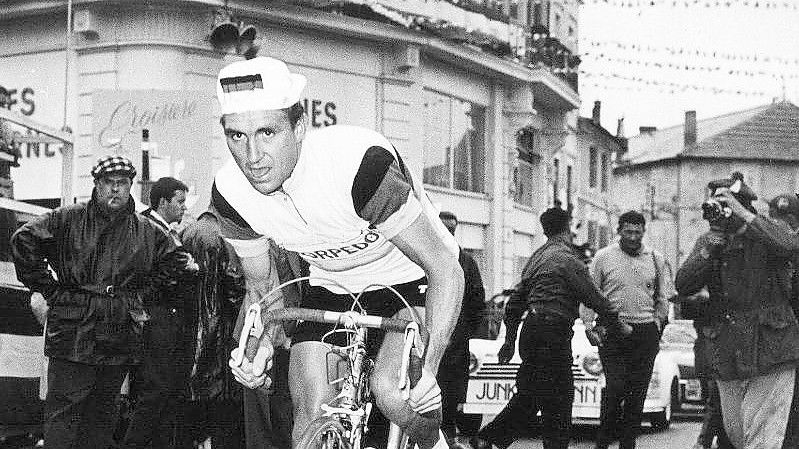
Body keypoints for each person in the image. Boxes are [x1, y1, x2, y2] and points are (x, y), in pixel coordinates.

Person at [211, 57, 464, 449]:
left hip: (410, 276)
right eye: (237, 136)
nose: (253, 156)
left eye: (267, 132)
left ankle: (435, 443)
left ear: (298, 127)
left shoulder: (358, 168)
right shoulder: (230, 193)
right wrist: (259, 345)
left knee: (394, 394)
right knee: (310, 420)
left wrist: (428, 370)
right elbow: (262, 287)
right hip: (331, 282)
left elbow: (444, 269)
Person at [10, 156, 189, 449]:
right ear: (96, 184)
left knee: (103, 414)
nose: (115, 190)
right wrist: (50, 289)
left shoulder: (146, 230)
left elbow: (179, 262)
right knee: (64, 415)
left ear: (131, 186)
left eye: (122, 183)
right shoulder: (67, 218)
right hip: (74, 331)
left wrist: (141, 295)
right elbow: (23, 240)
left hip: (117, 331)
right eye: (108, 182)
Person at [471, 207, 629, 449]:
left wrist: (509, 341)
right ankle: (490, 438)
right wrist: (618, 324)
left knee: (531, 393)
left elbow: (514, 303)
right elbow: (594, 298)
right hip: (553, 333)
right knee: (559, 399)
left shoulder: (537, 258)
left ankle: (489, 439)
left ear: (545, 231)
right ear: (568, 229)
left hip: (531, 330)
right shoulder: (568, 260)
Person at [675, 175, 799, 448]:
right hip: (729, 352)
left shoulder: (767, 234)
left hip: (771, 350)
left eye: (723, 206)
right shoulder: (712, 241)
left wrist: (743, 217)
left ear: (741, 207)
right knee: (737, 436)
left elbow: (789, 243)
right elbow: (683, 283)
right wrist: (709, 251)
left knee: (764, 438)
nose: (716, 214)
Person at [181, 210, 303, 449]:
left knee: (260, 420)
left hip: (248, 330)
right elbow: (251, 285)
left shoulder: (198, 231)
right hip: (265, 330)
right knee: (275, 417)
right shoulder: (259, 230)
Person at [579, 211, 672, 449]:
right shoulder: (603, 257)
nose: (632, 237)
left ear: (643, 232)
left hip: (645, 333)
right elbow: (589, 293)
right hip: (611, 330)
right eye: (628, 232)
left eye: (637, 232)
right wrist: (588, 325)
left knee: (637, 393)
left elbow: (663, 297)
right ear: (619, 231)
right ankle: (603, 441)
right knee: (616, 387)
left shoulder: (655, 258)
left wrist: (658, 324)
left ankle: (628, 444)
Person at [122, 177, 192, 449]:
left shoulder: (156, 228)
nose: (184, 208)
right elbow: (151, 273)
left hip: (162, 319)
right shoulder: (149, 229)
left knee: (164, 391)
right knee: (157, 390)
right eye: (180, 202)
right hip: (157, 320)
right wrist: (185, 268)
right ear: (163, 202)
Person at [436, 211, 486, 445]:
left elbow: (477, 304)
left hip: (446, 338)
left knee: (447, 391)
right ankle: (448, 435)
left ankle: (446, 435)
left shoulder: (425, 256)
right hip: (453, 338)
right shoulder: (466, 261)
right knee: (450, 391)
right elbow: (478, 304)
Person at [679, 290, 734, 449]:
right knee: (715, 399)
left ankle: (706, 441)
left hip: (715, 349)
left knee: (716, 399)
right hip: (709, 350)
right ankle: (707, 441)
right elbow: (687, 309)